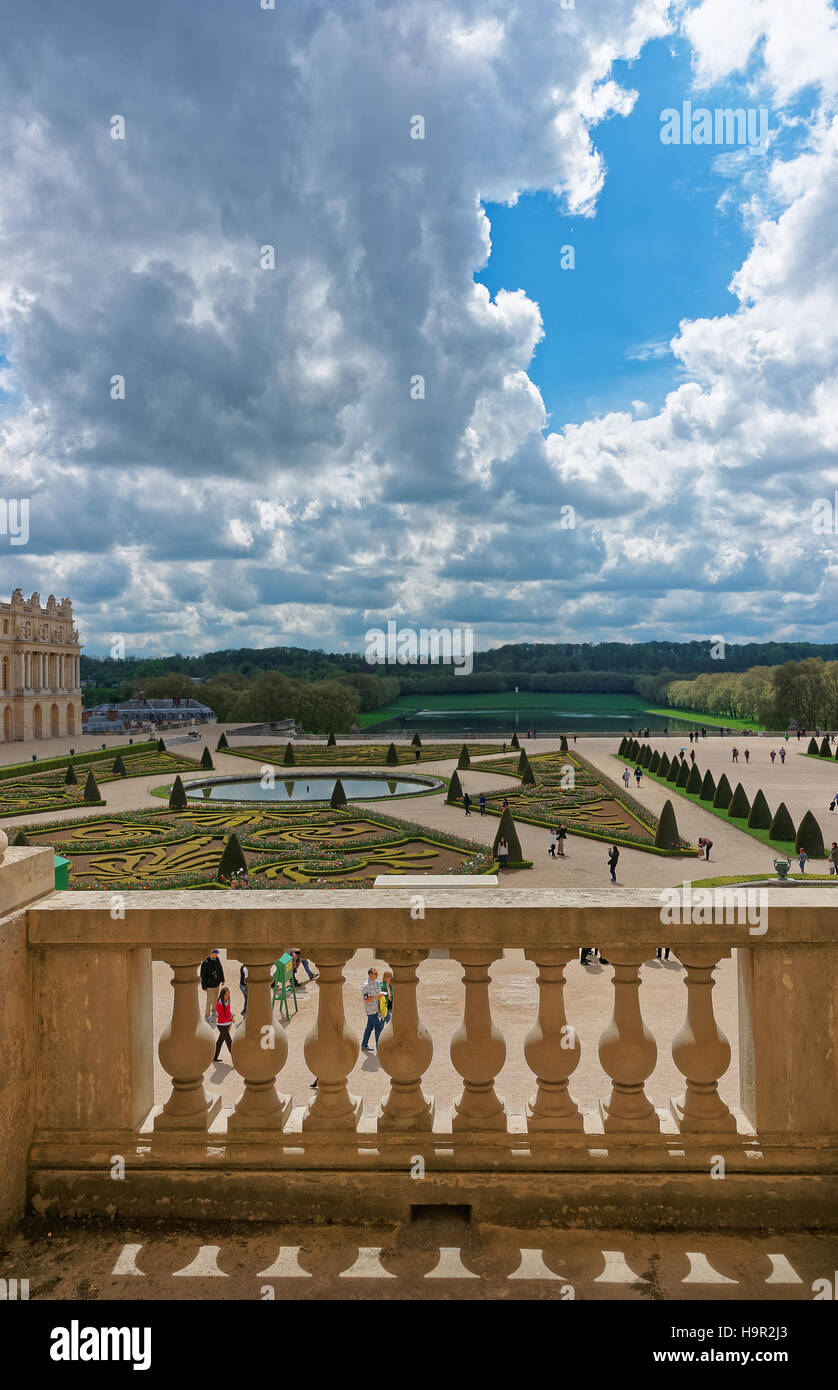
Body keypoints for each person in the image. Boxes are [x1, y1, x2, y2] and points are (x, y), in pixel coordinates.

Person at [361, 968, 384, 1053]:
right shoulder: (365, 986)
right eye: (375, 974)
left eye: (377, 974)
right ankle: (379, 1047)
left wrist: (380, 996)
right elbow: (366, 1000)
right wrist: (376, 996)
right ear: (370, 974)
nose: (377, 975)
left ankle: (364, 1045)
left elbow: (379, 993)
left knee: (369, 1027)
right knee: (378, 1027)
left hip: (377, 1009)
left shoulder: (377, 983)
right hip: (370, 1010)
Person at [200, 948, 224, 1022]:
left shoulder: (217, 959)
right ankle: (207, 1016)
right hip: (209, 985)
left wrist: (222, 979)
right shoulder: (205, 962)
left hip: (217, 983)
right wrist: (204, 986)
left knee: (215, 999)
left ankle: (214, 1011)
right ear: (211, 953)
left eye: (217, 953)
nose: (217, 954)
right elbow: (202, 975)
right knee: (209, 1000)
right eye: (215, 953)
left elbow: (220, 969)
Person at [213, 986, 234, 1062]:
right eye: (226, 995)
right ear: (222, 995)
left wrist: (231, 1014)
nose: (227, 996)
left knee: (219, 1042)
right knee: (229, 1042)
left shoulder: (227, 1001)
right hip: (222, 1026)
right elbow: (222, 1018)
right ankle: (236, 1059)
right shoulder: (219, 1004)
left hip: (227, 1025)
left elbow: (228, 1011)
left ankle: (214, 1057)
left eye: (228, 994)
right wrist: (230, 1019)